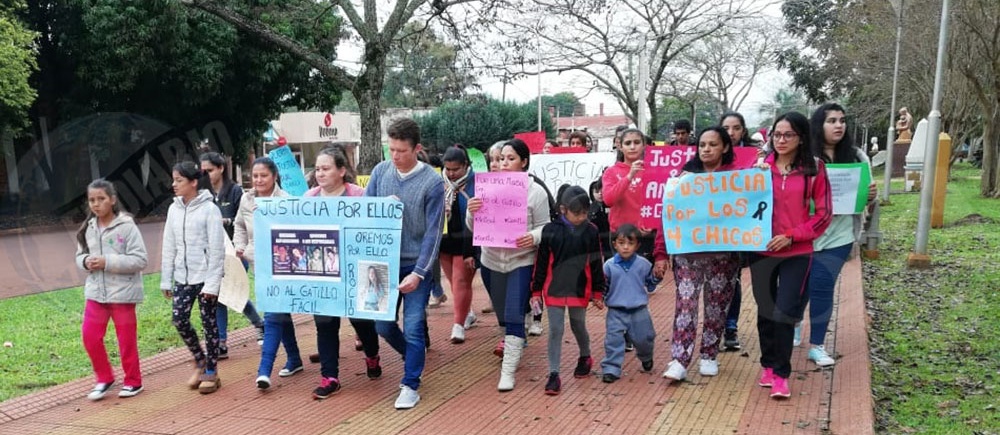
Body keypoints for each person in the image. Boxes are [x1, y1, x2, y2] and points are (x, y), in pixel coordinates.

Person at [365, 117, 445, 410]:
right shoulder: (380, 171)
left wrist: (420, 274)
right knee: (383, 326)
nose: (395, 156)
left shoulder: (432, 183)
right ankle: (414, 354)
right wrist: (382, 206)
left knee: (413, 326)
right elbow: (364, 212)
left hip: (415, 266)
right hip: (382, 264)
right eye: (391, 149)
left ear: (417, 149)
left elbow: (434, 233)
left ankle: (411, 383)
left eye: (401, 150)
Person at [752, 112, 832, 399]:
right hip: (761, 250)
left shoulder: (814, 169)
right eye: (777, 135)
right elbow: (735, 202)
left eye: (788, 135)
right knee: (765, 311)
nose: (781, 140)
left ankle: (782, 375)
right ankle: (768, 365)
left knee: (784, 311)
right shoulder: (759, 168)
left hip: (797, 252)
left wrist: (792, 236)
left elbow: (824, 214)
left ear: (801, 138)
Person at [657, 126, 743, 382]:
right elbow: (667, 217)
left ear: (725, 147)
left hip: (723, 255)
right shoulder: (683, 178)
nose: (706, 149)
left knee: (717, 306)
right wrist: (661, 252)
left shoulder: (737, 178)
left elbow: (749, 213)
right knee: (686, 305)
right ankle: (679, 359)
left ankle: (709, 355)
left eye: (712, 144)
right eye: (702, 144)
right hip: (688, 253)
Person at [467, 138, 551, 392]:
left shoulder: (535, 191)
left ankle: (508, 372)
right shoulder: (485, 188)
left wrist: (533, 237)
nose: (504, 163)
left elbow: (545, 226)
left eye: (511, 158)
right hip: (491, 261)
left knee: (513, 314)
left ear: (524, 162)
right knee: (503, 316)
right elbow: (474, 229)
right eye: (501, 158)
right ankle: (516, 331)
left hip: (521, 261)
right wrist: (472, 211)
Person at [797, 104, 877, 367]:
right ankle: (796, 322)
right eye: (831, 120)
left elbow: (865, 196)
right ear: (818, 125)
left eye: (842, 120)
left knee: (822, 286)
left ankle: (817, 345)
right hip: (804, 235)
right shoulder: (803, 156)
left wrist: (870, 196)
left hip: (839, 235)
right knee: (798, 287)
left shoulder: (856, 157)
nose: (838, 125)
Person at [303, 146, 383, 399]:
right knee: (325, 324)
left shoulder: (360, 196)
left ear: (342, 171)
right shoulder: (309, 199)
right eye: (317, 169)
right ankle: (330, 377)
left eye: (326, 168)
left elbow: (377, 225)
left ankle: (372, 356)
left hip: (355, 271)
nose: (320, 174)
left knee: (361, 321)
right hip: (322, 274)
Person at [234, 158, 305, 392]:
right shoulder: (247, 198)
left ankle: (264, 370)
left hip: (283, 267)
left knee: (274, 315)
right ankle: (294, 359)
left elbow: (297, 231)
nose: (258, 180)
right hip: (259, 265)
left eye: (263, 175)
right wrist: (240, 247)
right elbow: (240, 226)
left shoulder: (285, 201)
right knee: (280, 313)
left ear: (274, 176)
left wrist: (269, 215)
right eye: (254, 176)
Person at [75, 179, 148, 400]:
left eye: (101, 199)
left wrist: (107, 262)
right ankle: (104, 377)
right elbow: (79, 255)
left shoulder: (126, 226)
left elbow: (140, 260)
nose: (96, 204)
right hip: (96, 293)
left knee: (126, 340)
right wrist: (86, 261)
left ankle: (133, 382)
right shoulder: (88, 228)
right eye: (91, 200)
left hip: (123, 293)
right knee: (90, 336)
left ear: (112, 200)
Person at [530, 186, 605, 395]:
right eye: (577, 213)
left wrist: (598, 292)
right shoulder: (550, 231)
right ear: (563, 209)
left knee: (578, 325)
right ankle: (554, 374)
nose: (581, 217)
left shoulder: (591, 231)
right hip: (553, 288)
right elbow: (541, 263)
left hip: (579, 288)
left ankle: (585, 355)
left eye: (585, 213)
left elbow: (596, 261)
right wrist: (536, 291)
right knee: (555, 329)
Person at [161, 161, 225, 394]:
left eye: (179, 180)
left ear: (193, 182)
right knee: (179, 319)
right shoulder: (173, 209)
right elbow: (169, 246)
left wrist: (213, 283)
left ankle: (211, 371)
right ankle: (199, 360)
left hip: (206, 277)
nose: (174, 185)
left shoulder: (210, 209)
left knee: (209, 324)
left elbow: (217, 250)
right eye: (174, 180)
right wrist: (166, 279)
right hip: (183, 277)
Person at [199, 152, 265, 357]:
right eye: (202, 171)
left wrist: (224, 223)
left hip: (235, 252)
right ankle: (222, 342)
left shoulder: (235, 191)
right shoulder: (203, 194)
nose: (206, 174)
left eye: (209, 170)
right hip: (212, 253)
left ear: (220, 168)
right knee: (218, 297)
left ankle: (259, 324)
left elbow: (242, 221)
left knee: (233, 293)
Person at [718, 111, 762, 352]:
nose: (732, 133)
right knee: (717, 281)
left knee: (733, 280)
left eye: (736, 128)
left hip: (743, 229)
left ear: (743, 130)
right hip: (716, 228)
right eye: (727, 128)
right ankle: (716, 325)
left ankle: (731, 328)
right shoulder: (710, 153)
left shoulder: (756, 157)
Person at [601, 128, 661, 295]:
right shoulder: (611, 172)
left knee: (641, 281)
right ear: (620, 146)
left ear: (644, 145)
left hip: (645, 234)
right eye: (628, 143)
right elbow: (608, 199)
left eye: (637, 142)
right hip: (620, 235)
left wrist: (651, 223)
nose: (632, 147)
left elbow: (659, 200)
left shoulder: (654, 170)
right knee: (622, 280)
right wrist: (629, 176)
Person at [599, 224, 656, 383]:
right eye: (622, 243)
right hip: (616, 310)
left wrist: (657, 276)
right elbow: (604, 285)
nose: (625, 247)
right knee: (613, 340)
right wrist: (599, 298)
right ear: (615, 244)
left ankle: (646, 356)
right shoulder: (609, 265)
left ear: (637, 245)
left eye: (630, 244)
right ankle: (611, 368)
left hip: (639, 310)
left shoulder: (643, 264)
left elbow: (650, 284)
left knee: (645, 337)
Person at [439, 145, 480, 344]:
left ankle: (457, 325)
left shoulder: (476, 184)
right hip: (445, 240)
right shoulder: (439, 183)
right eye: (448, 169)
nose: (451, 173)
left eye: (455, 169)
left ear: (466, 166)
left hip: (467, 239)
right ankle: (467, 313)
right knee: (454, 284)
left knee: (461, 281)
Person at [588, 178, 613, 264]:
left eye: (601, 190)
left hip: (610, 238)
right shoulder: (590, 208)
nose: (600, 194)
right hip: (597, 240)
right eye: (596, 191)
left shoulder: (611, 205)